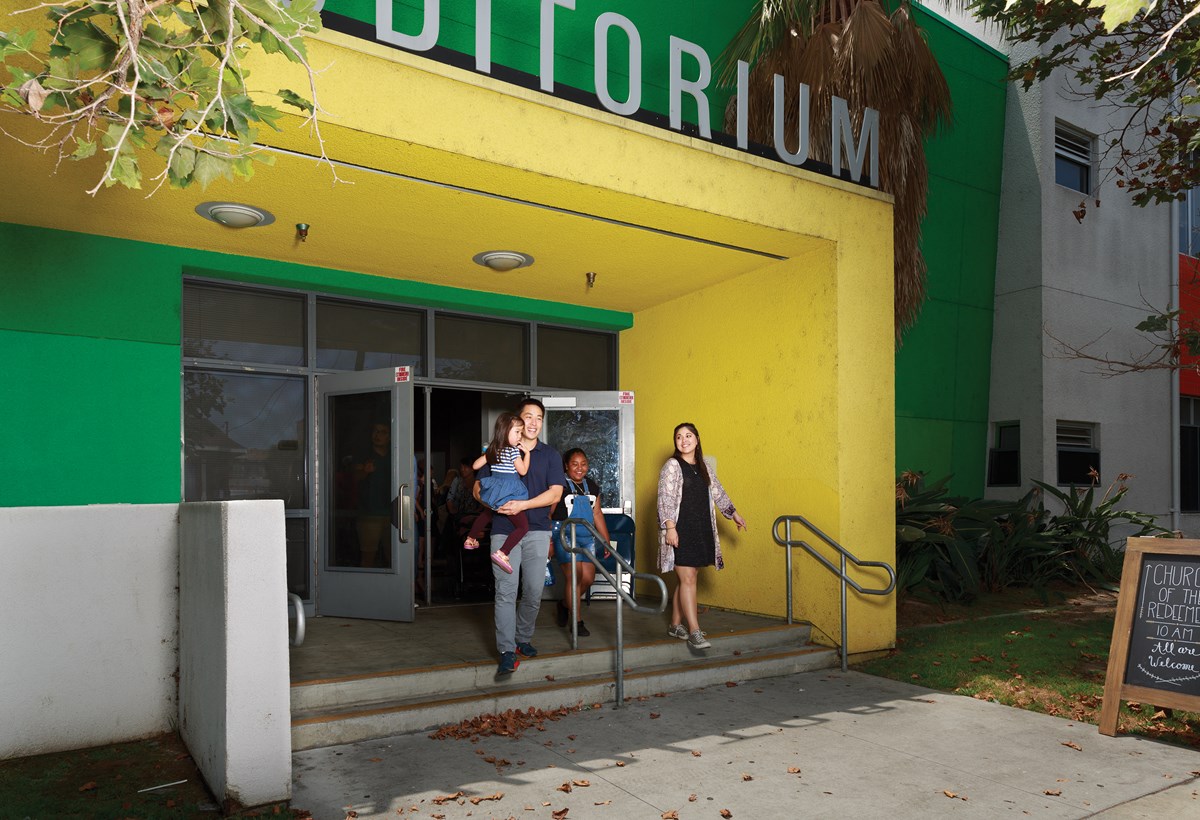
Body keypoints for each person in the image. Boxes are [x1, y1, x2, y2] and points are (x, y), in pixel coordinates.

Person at [475, 399, 565, 676]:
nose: (534, 422)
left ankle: (522, 638)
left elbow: (555, 493)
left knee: (534, 590)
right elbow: (477, 488)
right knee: (505, 590)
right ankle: (505, 650)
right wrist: (493, 505)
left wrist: (522, 506)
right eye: (528, 416)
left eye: (539, 417)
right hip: (504, 531)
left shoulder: (549, 455)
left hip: (537, 529)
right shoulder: (499, 449)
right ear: (519, 420)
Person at [657, 422, 747, 650]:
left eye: (688, 436)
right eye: (679, 436)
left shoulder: (704, 465)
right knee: (688, 579)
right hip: (679, 530)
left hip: (700, 529)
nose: (684, 440)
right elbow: (665, 498)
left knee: (686, 579)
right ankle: (694, 632)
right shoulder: (672, 466)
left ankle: (675, 624)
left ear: (697, 439)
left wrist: (733, 514)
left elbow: (718, 491)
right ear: (675, 442)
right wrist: (670, 527)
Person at [551, 448, 611, 638]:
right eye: (575, 464)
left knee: (587, 579)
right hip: (564, 534)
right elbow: (549, 513)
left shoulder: (592, 486)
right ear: (566, 466)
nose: (579, 468)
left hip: (587, 536)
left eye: (583, 464)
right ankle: (576, 621)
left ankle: (563, 604)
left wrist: (606, 540)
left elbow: (597, 513)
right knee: (575, 577)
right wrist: (547, 540)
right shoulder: (558, 485)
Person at [464, 413, 532, 574]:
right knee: (523, 527)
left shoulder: (493, 450)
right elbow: (523, 471)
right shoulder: (513, 452)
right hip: (509, 492)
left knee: (487, 513)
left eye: (521, 433)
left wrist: (487, 453)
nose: (519, 436)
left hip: (494, 490)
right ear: (505, 430)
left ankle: (471, 538)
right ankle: (503, 552)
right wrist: (527, 454)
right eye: (517, 432)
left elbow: (475, 466)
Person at [353, 422, 392, 568]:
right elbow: (355, 477)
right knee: (368, 559)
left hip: (394, 515)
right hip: (369, 515)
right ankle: (364, 591)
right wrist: (365, 471)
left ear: (389, 437)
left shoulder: (395, 455)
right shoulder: (364, 454)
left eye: (383, 432)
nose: (378, 435)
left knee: (395, 560)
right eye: (375, 431)